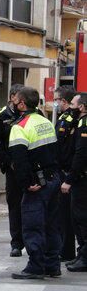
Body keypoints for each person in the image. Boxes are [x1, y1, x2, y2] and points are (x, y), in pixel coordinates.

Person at [8, 87, 61, 279]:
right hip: (53, 178)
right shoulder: (45, 122)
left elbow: (20, 161)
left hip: (37, 184)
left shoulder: (19, 126)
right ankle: (52, 265)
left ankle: (35, 266)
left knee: (32, 225)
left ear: (22, 103)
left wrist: (27, 184)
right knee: (51, 224)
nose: (13, 103)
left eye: (16, 101)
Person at [0, 84, 25, 257]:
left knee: (33, 204)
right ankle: (16, 243)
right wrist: (9, 162)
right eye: (19, 97)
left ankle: (32, 240)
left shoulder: (33, 114)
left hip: (31, 168)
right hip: (13, 169)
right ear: (12, 97)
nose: (22, 101)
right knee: (15, 205)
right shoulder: (0, 116)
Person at [61, 93, 87, 272]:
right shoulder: (78, 122)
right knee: (78, 219)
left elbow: (81, 154)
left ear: (82, 107)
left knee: (82, 219)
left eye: (73, 104)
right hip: (79, 177)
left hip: (81, 179)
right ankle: (81, 255)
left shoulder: (84, 124)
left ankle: (84, 258)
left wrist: (69, 179)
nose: (70, 107)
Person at [54, 85, 79, 262]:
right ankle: (65, 249)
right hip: (62, 169)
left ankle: (68, 250)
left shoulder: (70, 119)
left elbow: (67, 148)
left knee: (68, 214)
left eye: (56, 100)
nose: (55, 103)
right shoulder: (64, 117)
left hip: (67, 171)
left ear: (63, 101)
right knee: (63, 213)